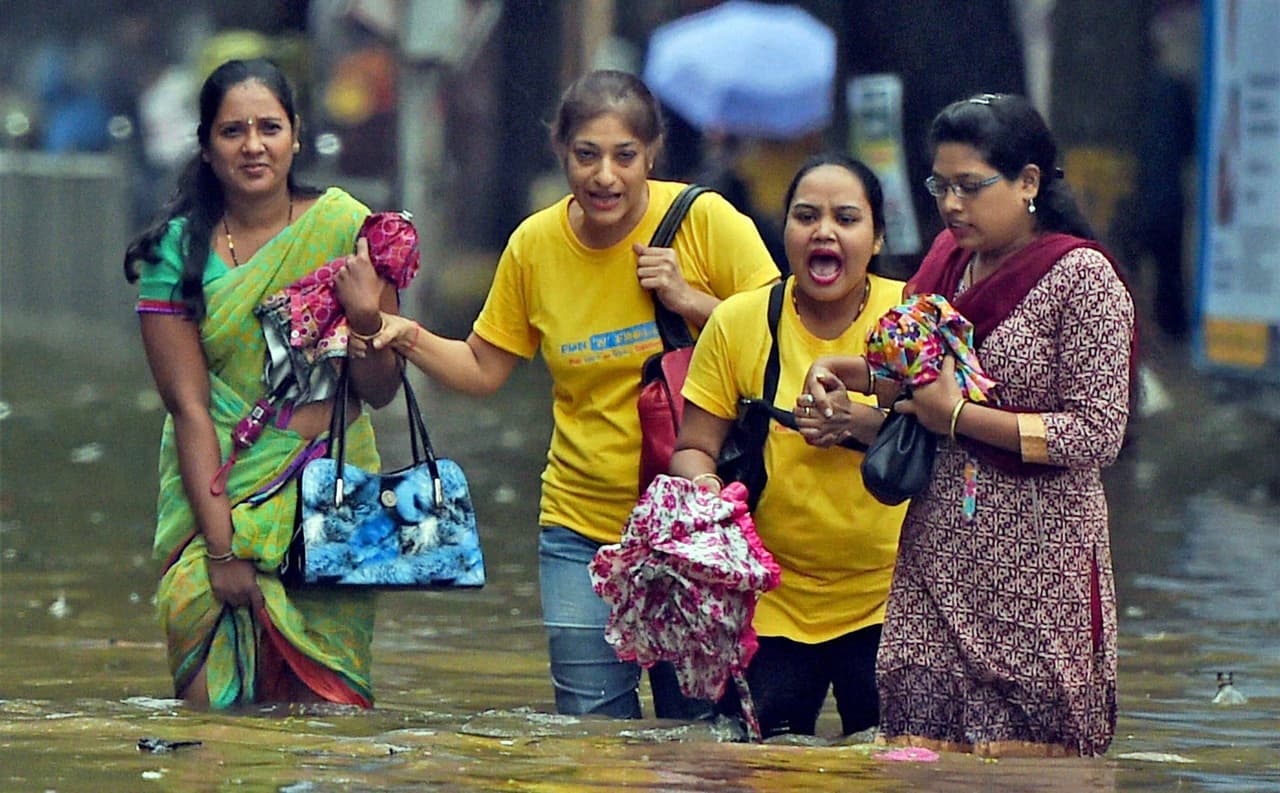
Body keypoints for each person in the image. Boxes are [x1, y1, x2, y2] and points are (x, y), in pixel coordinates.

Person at [345, 69, 780, 718]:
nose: (605, 176)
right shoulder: (535, 245)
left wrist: (691, 301)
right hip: (579, 527)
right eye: (587, 155)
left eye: (624, 156)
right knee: (592, 735)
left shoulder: (705, 221)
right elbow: (482, 368)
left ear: (651, 155)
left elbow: (780, 344)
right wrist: (399, 331)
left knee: (698, 739)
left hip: (694, 529)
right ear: (561, 152)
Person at [807, 93, 1135, 756]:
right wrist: (853, 375)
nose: (952, 205)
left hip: (1039, 563)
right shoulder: (947, 264)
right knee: (913, 748)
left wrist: (959, 417)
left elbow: (1097, 433)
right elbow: (916, 379)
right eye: (941, 187)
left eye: (970, 186)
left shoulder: (1083, 278)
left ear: (1028, 182)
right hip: (937, 551)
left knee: (1025, 762)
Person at [123, 58, 402, 709]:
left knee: (328, 727)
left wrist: (366, 319)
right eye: (233, 131)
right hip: (214, 495)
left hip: (331, 492)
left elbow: (381, 390)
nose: (253, 145)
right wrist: (222, 552)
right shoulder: (175, 254)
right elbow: (190, 408)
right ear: (206, 145)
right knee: (211, 729)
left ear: (296, 136)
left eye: (269, 127)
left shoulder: (346, 229)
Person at [668, 153, 907, 738]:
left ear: (877, 237)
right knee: (755, 762)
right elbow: (693, 447)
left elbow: (949, 443)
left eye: (846, 218)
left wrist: (856, 422)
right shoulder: (738, 322)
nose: (824, 231)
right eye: (806, 217)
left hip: (894, 598)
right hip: (770, 599)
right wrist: (708, 494)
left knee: (898, 763)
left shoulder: (910, 317)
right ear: (785, 232)